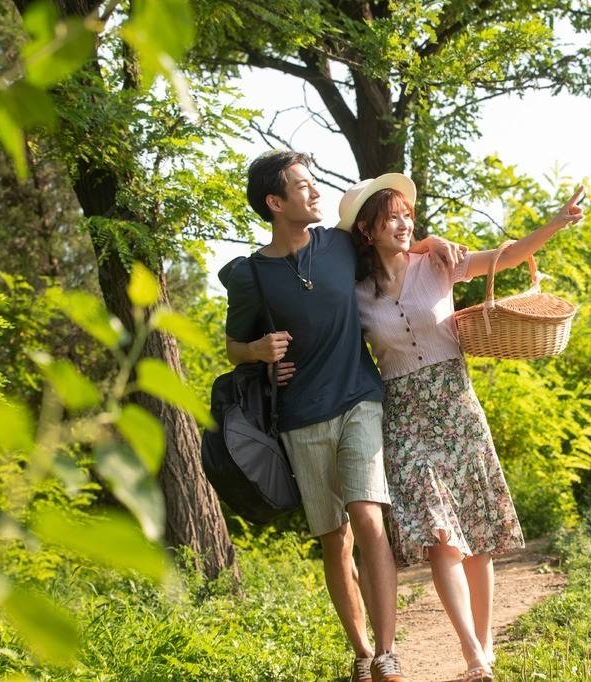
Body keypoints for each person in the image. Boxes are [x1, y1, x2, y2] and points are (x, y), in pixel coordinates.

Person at [219, 151, 463, 682]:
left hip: (360, 399)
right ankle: (359, 651)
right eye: (302, 187)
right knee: (336, 538)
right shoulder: (250, 275)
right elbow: (234, 346)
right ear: (274, 202)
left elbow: (389, 241)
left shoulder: (338, 245)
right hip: (300, 417)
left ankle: (386, 652)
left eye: (313, 183)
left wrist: (431, 243)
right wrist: (259, 352)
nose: (315, 193)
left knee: (369, 519)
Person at [343, 173, 582, 681]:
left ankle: (486, 641)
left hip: (457, 407)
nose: (405, 223)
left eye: (408, 215)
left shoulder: (437, 263)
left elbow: (508, 256)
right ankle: (472, 652)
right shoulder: (355, 292)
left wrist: (556, 223)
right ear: (368, 230)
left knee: (475, 532)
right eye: (392, 217)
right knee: (440, 536)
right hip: (404, 416)